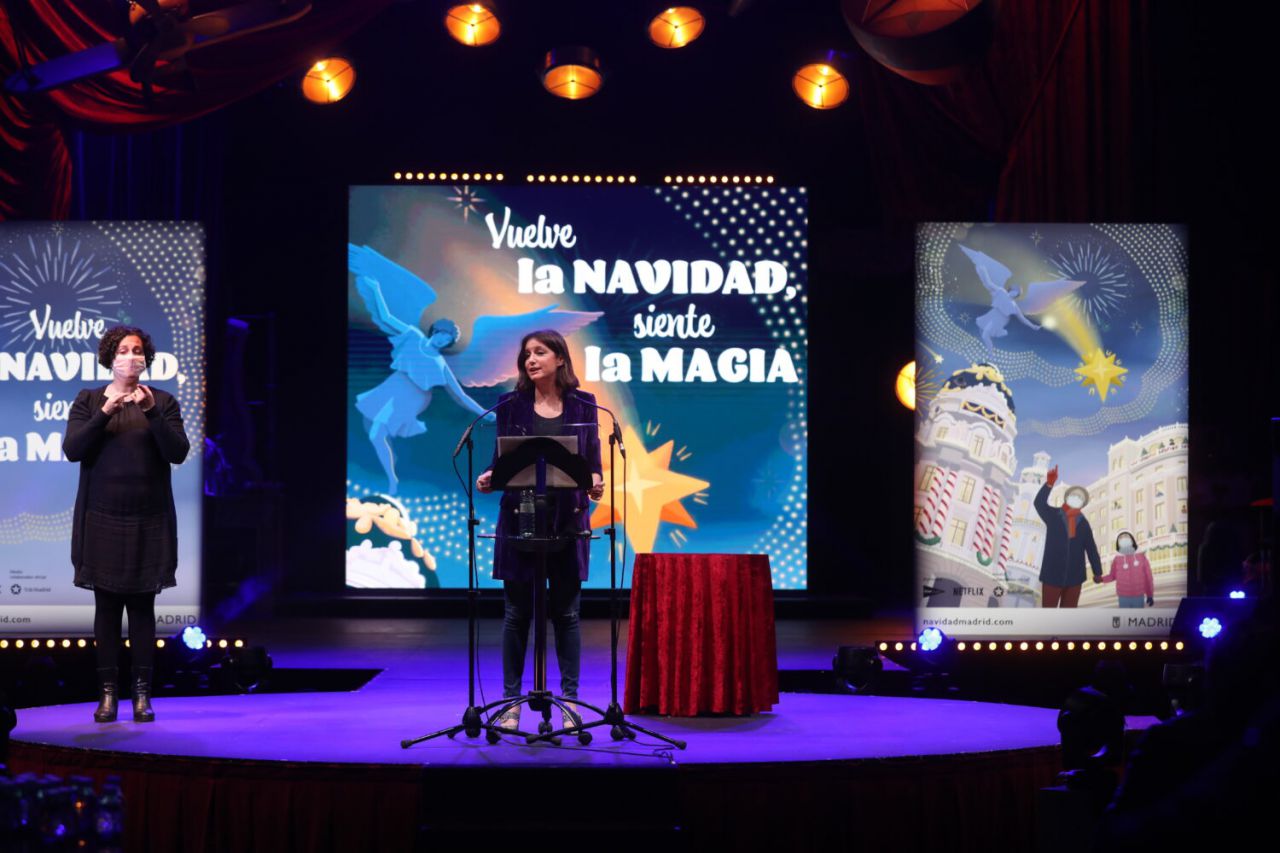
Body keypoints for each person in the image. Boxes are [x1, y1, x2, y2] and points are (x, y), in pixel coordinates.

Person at [476, 330, 604, 731]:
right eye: (526, 354)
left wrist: (596, 481)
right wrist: (489, 476)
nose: (530, 360)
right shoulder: (509, 405)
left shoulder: (585, 404)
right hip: (520, 517)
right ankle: (511, 704)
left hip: (567, 519)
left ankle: (570, 704)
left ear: (560, 358)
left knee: (567, 614)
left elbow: (593, 462)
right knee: (517, 615)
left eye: (539, 352)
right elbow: (500, 461)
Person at [64, 326, 190, 723]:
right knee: (105, 608)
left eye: (137, 351)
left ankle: (141, 695)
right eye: (123, 350)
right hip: (101, 518)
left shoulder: (162, 402)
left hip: (148, 519)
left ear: (145, 359)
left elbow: (178, 452)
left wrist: (151, 411)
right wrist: (105, 412)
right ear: (110, 357)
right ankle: (107, 696)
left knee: (142, 607)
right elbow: (73, 449)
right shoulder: (88, 400)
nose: (131, 357)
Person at [1034, 465, 1102, 608]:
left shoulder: (1084, 523)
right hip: (1052, 575)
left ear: (1083, 503)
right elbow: (1039, 503)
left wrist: (1097, 572)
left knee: (1068, 616)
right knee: (1048, 615)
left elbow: (1091, 549)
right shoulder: (1053, 515)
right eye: (1074, 495)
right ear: (1067, 497)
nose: (1077, 498)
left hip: (1075, 578)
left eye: (1080, 497)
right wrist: (1049, 484)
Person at [1098, 531, 1155, 608]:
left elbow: (1148, 577)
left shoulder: (1141, 557)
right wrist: (1101, 579)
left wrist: (1150, 594)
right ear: (1118, 542)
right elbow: (1112, 576)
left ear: (1132, 540)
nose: (1124, 539)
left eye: (1126, 537)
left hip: (1138, 596)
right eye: (1121, 538)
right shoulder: (1117, 559)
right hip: (1123, 597)